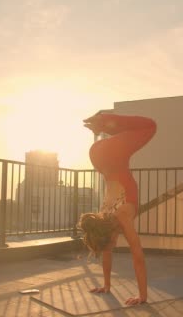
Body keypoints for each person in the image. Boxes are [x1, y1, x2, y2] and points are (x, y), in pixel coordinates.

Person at [78, 112, 157, 306]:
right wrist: (106, 285)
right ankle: (102, 124)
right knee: (143, 128)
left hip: (112, 155)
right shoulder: (104, 217)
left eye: (110, 243)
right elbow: (107, 251)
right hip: (97, 156)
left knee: (150, 126)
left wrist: (143, 296)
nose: (112, 245)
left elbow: (138, 257)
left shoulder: (122, 217)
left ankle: (103, 120)